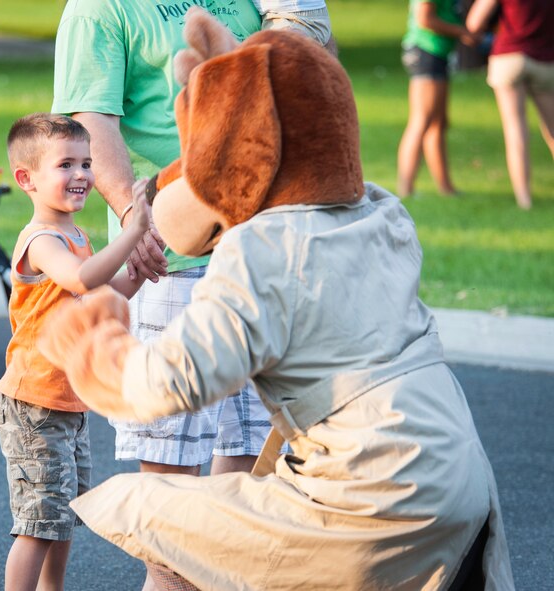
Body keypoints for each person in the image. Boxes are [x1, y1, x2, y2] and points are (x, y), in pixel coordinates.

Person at [39, 17, 513, 589]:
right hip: (462, 486)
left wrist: (95, 338)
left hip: (370, 499)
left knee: (143, 506)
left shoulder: (262, 249)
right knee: (247, 491)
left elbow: (169, 383)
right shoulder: (382, 215)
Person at [51, 0, 275, 537]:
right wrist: (136, 220)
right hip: (170, 256)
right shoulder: (99, 10)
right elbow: (91, 125)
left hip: (258, 253)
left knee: (253, 454)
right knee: (173, 471)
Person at [0, 113, 150, 591]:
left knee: (65, 511)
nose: (81, 174)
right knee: (38, 521)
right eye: (66, 165)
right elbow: (81, 279)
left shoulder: (77, 237)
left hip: (68, 400)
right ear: (28, 179)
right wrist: (132, 229)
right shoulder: (41, 242)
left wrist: (142, 266)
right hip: (34, 402)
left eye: (86, 163)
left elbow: (105, 291)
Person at [467, 0, 554, 210]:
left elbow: (474, 22)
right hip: (545, 60)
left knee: (515, 130)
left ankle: (524, 200)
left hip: (509, 57)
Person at [397, 0, 481, 198]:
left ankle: (445, 188)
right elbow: (425, 19)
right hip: (426, 52)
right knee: (421, 121)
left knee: (438, 123)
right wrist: (462, 32)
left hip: (438, 54)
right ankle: (405, 189)